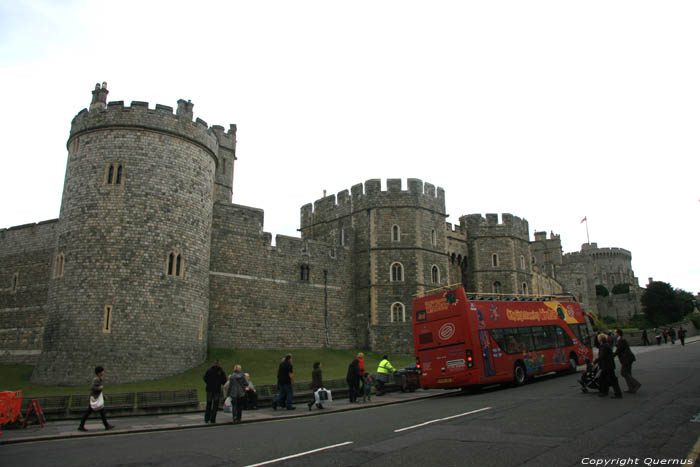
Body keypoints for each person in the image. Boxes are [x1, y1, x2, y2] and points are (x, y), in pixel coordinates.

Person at [78, 366, 115, 431]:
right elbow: (92, 388)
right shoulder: (96, 379)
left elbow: (99, 390)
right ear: (99, 373)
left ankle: (106, 425)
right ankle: (81, 426)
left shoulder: (99, 379)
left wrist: (103, 396)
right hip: (95, 399)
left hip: (97, 398)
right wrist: (99, 388)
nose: (104, 372)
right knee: (89, 412)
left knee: (101, 412)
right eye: (102, 371)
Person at [594, 334, 622, 399]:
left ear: (600, 340)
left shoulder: (603, 346)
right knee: (607, 378)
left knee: (605, 378)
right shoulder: (606, 345)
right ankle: (609, 392)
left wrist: (595, 361)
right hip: (609, 365)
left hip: (606, 365)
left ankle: (608, 392)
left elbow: (602, 356)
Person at [613, 329, 641, 394]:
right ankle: (631, 388)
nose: (614, 333)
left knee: (623, 372)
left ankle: (636, 384)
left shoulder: (621, 340)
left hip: (626, 358)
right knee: (628, 373)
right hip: (627, 358)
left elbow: (618, 350)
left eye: (615, 332)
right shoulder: (620, 340)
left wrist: (612, 355)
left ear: (618, 333)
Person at [203, 359, 227, 423]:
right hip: (216, 390)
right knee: (215, 405)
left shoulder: (209, 370)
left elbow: (205, 378)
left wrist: (209, 383)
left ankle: (206, 418)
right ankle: (213, 419)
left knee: (209, 404)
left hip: (209, 389)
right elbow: (224, 381)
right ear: (219, 364)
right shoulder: (221, 371)